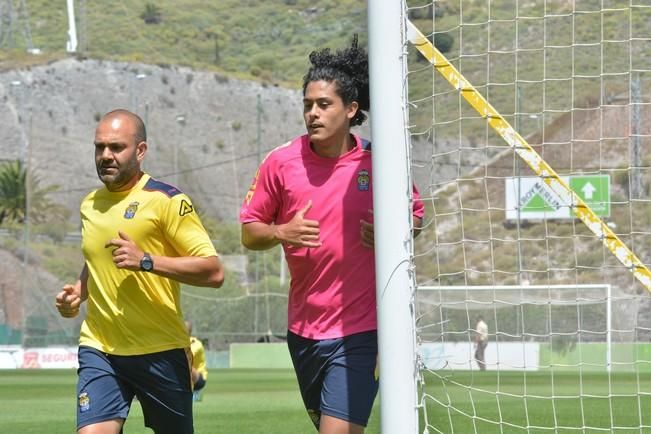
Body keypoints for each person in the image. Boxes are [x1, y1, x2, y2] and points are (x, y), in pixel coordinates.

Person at [239, 37, 425, 434]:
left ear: (351, 109)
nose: (313, 113)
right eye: (307, 105)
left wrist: (397, 234)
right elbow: (250, 233)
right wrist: (280, 231)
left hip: (361, 330)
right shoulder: (281, 162)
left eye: (324, 105)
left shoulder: (381, 161)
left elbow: (417, 217)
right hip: (303, 331)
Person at [54, 109, 224, 434]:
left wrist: (146, 260)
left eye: (116, 147)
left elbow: (213, 272)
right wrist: (78, 291)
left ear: (141, 151)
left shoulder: (167, 201)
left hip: (161, 350)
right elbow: (97, 260)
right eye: (99, 147)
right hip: (101, 347)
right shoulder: (90, 204)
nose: (105, 155)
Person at [185, 320, 208, 401]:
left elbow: (186, 356)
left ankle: (195, 392)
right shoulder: (179, 342)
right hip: (186, 377)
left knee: (185, 363)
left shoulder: (196, 343)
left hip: (199, 378)